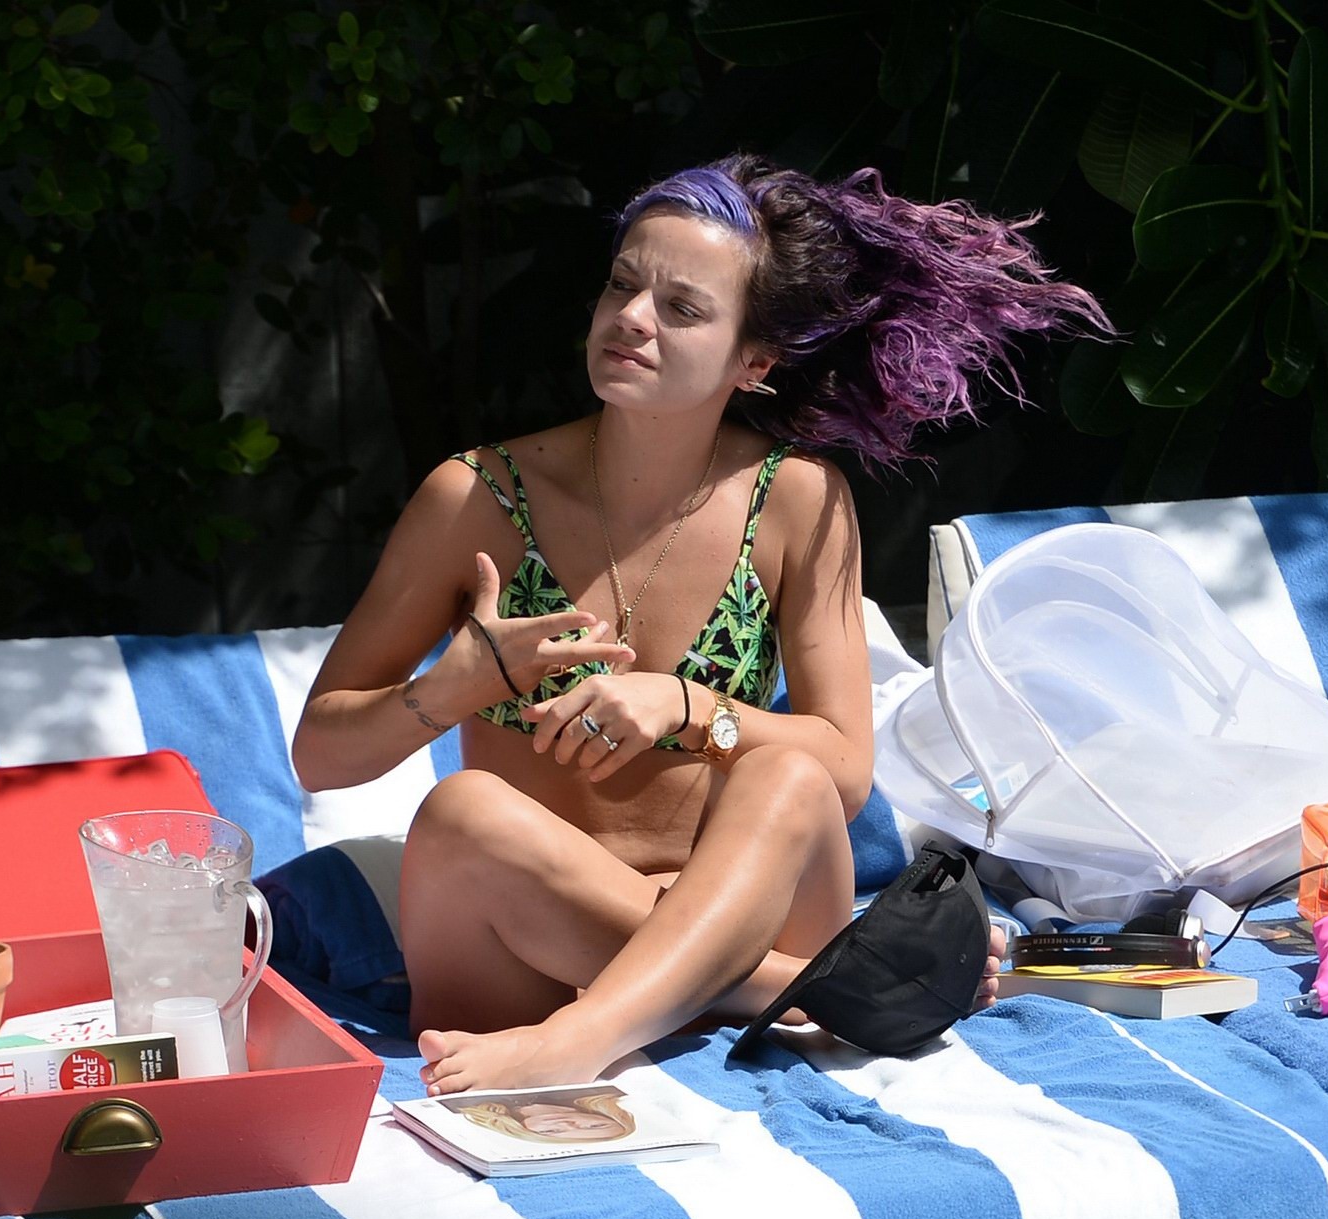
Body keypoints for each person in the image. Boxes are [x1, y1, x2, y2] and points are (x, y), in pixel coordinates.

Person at [292, 153, 1107, 1096]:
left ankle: (592, 1032)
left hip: (738, 901)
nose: (632, 318)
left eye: (681, 309)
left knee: (788, 772)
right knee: (460, 811)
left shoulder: (795, 501)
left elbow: (842, 772)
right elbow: (320, 756)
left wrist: (688, 708)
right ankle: (772, 990)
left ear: (754, 360)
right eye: (622, 285)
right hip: (524, 941)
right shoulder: (475, 497)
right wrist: (452, 688)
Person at [444, 1088, 638, 1144]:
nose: (569, 1123)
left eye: (553, 1131)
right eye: (594, 1127)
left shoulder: (465, 1106)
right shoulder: (602, 1092)